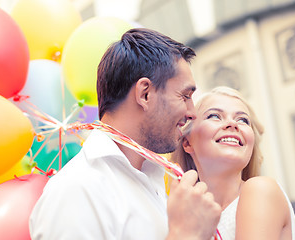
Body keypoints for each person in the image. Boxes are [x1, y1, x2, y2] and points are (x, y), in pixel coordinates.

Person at [29, 28, 221, 240]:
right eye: (184, 96)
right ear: (145, 94)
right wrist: (184, 234)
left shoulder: (153, 180)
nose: (192, 112)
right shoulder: (77, 190)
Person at [170, 86, 295, 240]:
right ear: (187, 143)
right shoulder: (180, 213)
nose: (232, 124)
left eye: (243, 120)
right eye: (214, 116)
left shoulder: (261, 190)